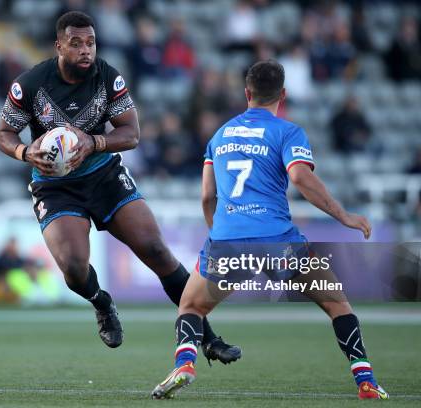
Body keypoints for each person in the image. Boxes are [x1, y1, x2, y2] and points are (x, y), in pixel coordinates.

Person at [0, 12, 240, 363]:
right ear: (59, 46)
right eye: (76, 43)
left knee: (157, 250)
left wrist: (93, 142)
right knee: (75, 268)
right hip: (55, 186)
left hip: (104, 175)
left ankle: (209, 338)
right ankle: (101, 302)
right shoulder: (30, 84)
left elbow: (131, 134)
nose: (86, 51)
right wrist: (24, 150)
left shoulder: (108, 77)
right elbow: (3, 134)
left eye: (91, 43)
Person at [151, 61, 388, 400]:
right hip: (280, 242)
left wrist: (220, 234)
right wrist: (343, 216)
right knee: (338, 304)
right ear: (283, 95)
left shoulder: (220, 135)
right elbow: (300, 177)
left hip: (228, 242)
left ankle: (185, 363)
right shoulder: (288, 132)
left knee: (190, 307)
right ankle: (365, 380)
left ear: (246, 93)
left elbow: (207, 196)